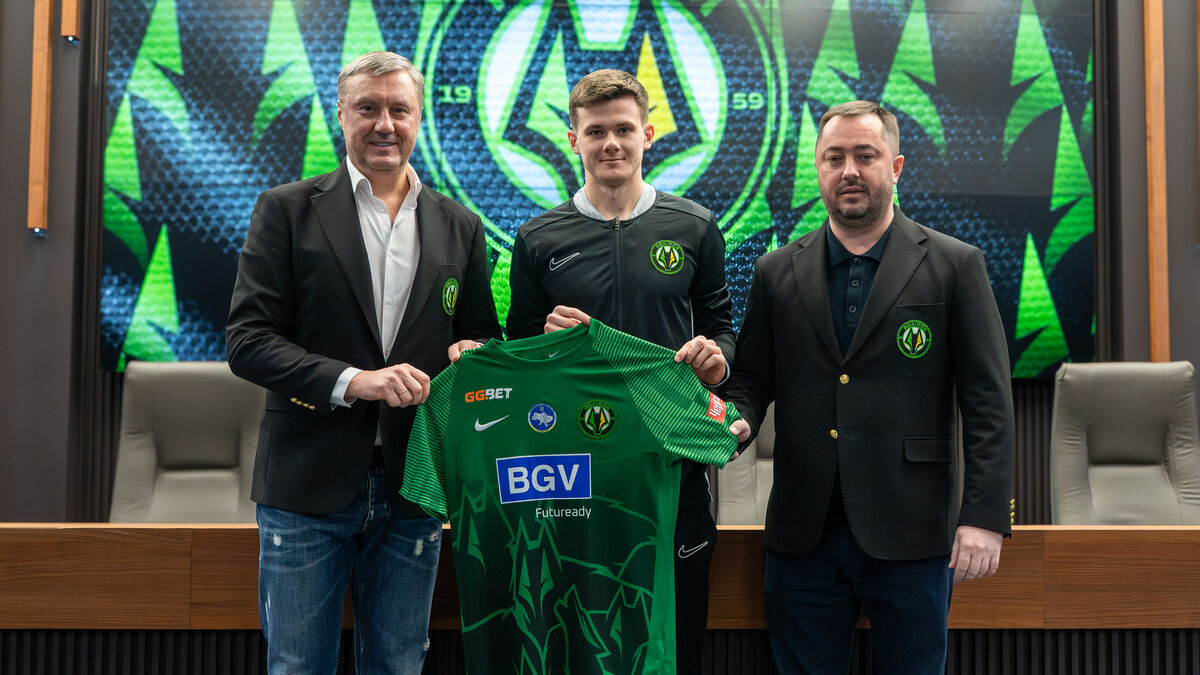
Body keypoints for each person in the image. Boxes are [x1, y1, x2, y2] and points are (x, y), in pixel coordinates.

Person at [226, 51, 501, 674]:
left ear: (419, 117)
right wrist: (356, 381)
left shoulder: (460, 225)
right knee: (299, 666)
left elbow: (479, 333)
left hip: (415, 484)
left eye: (399, 110)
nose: (384, 124)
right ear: (341, 115)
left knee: (398, 666)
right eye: (368, 108)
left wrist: (476, 356)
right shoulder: (286, 210)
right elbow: (248, 340)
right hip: (306, 484)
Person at [725, 101, 1014, 674]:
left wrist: (984, 515)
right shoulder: (775, 271)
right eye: (834, 158)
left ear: (896, 166)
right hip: (803, 534)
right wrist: (736, 418)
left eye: (865, 155)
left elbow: (988, 403)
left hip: (914, 532)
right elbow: (753, 380)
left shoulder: (955, 265)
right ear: (818, 167)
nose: (849, 171)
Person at [502, 68, 735, 674]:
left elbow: (723, 331)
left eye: (624, 129)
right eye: (596, 131)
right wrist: (544, 345)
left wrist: (716, 360)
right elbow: (517, 359)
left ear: (648, 135)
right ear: (573, 139)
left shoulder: (695, 226)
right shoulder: (537, 238)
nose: (611, 143)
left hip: (670, 465)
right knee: (581, 637)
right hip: (574, 475)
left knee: (675, 639)